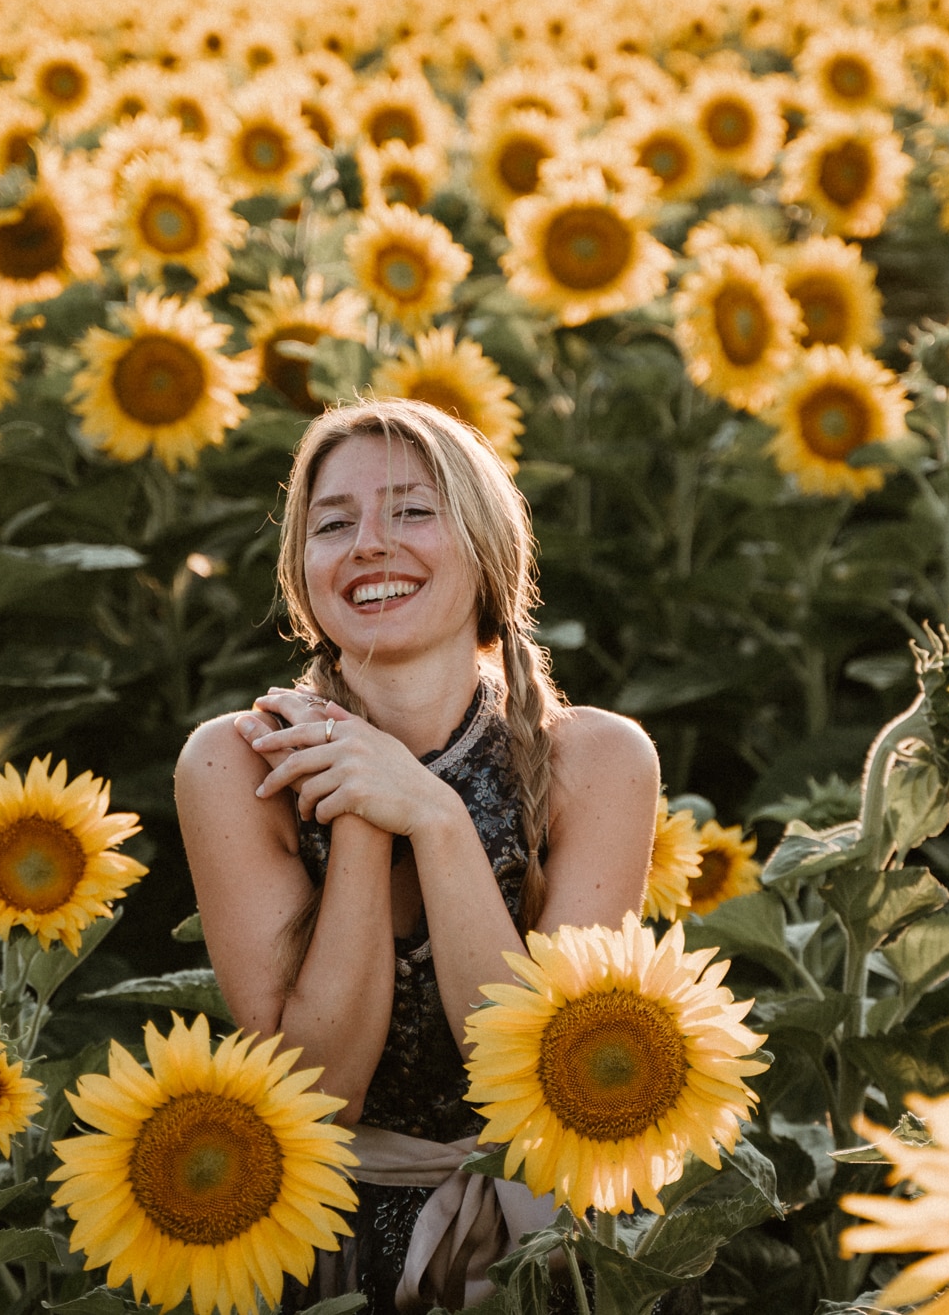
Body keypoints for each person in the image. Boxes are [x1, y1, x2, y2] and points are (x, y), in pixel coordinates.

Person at [175, 398, 660, 1312]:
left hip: (543, 1243)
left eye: (411, 510)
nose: (368, 542)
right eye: (332, 523)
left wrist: (432, 814)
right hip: (324, 1256)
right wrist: (361, 810)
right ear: (302, 572)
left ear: (487, 548)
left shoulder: (599, 762)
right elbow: (320, 1095)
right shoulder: (232, 763)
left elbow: (530, 1084)